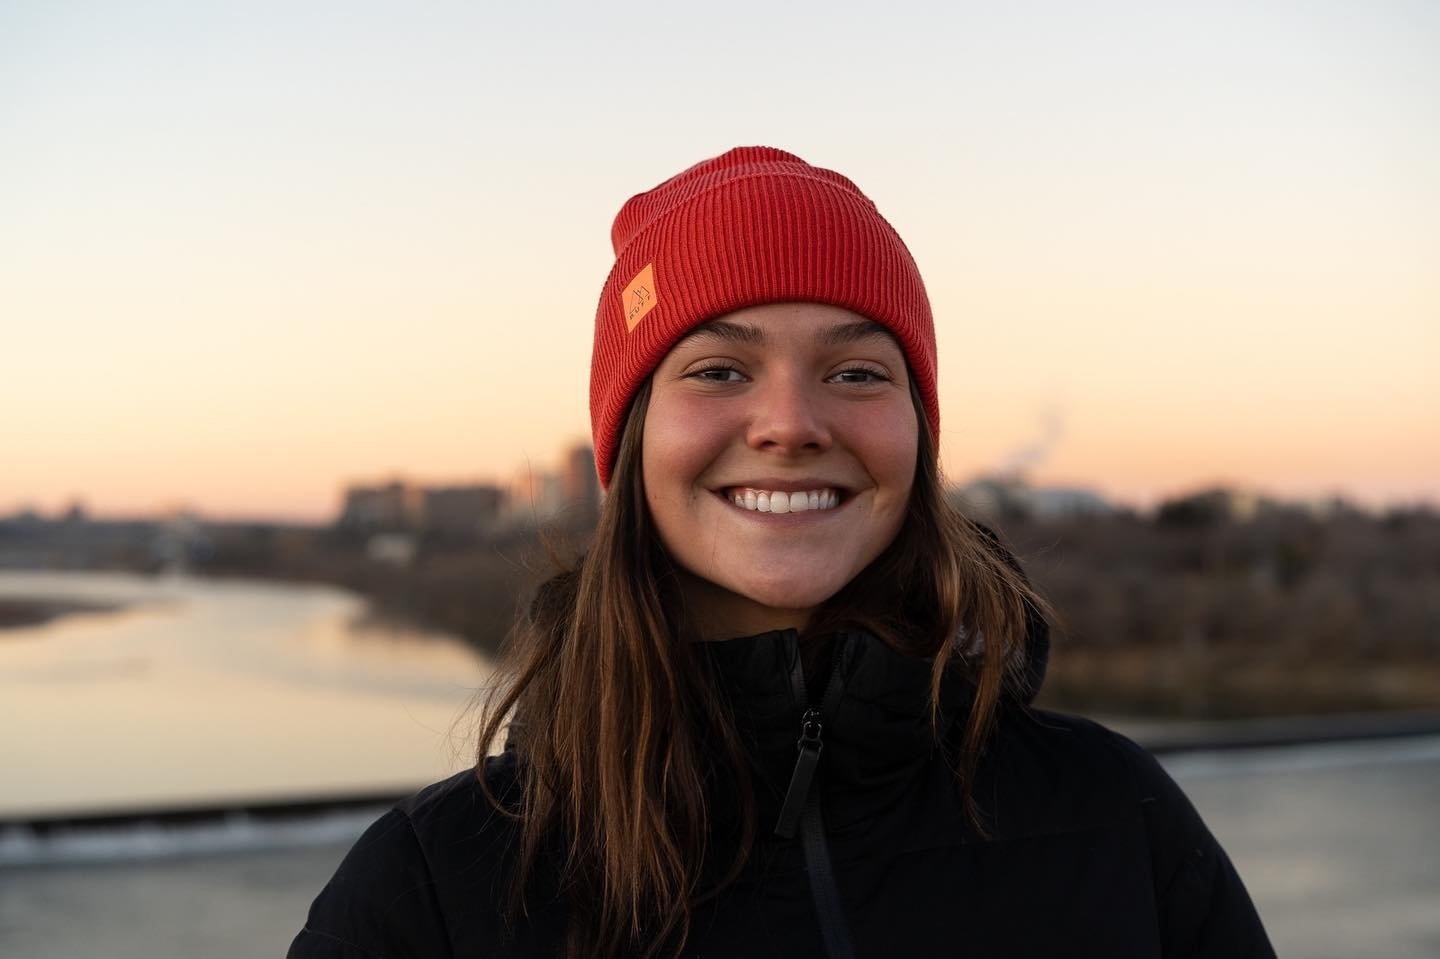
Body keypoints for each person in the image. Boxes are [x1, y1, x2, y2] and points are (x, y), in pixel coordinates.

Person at [289, 146, 1276, 958]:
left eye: (856, 371)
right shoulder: (436, 886)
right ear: (632, 445)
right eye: (720, 369)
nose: (792, 423)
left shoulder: (1111, 816)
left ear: (918, 434)